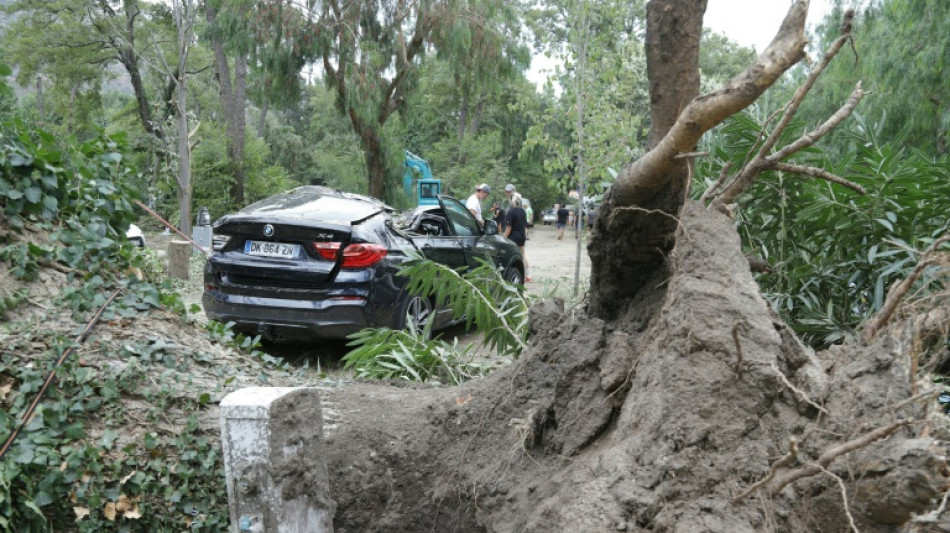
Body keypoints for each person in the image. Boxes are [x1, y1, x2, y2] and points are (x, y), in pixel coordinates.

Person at [503, 196, 530, 282]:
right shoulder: (523, 211)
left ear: (512, 202)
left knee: (513, 256)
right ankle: (528, 275)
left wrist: (503, 238)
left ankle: (516, 274)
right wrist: (524, 236)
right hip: (522, 236)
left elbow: (508, 228)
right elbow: (525, 226)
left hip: (513, 237)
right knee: (522, 255)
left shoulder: (510, 212)